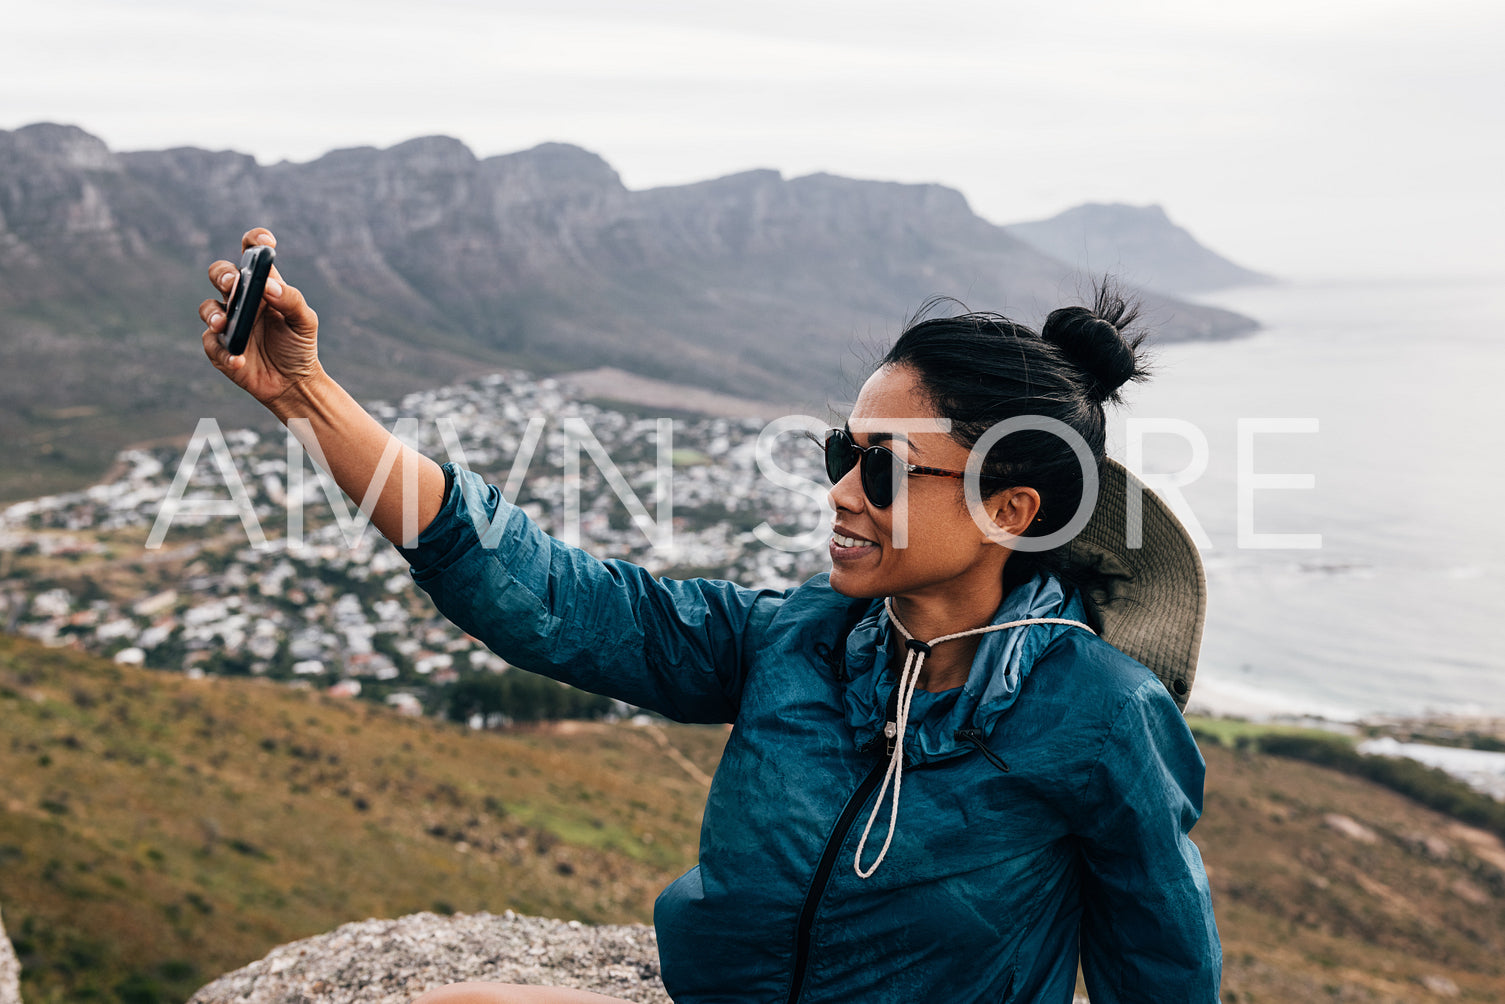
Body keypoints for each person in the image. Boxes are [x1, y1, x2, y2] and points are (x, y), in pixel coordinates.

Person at [197, 228, 1221, 1003]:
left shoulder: (1102, 711)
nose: (840, 491)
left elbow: (1161, 974)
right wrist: (306, 395)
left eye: (882, 466)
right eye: (840, 452)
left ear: (1010, 506)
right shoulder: (796, 639)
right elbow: (550, 594)